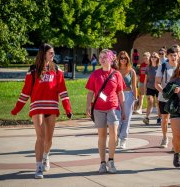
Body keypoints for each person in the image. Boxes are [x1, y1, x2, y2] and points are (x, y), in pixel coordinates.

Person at [11, 43, 72, 179]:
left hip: (52, 106)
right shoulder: (33, 70)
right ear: (43, 54)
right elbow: (26, 92)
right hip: (37, 106)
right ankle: (38, 166)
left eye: (53, 53)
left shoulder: (57, 69)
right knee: (41, 137)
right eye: (51, 53)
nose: (53, 55)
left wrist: (67, 108)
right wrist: (16, 109)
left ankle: (46, 156)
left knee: (49, 139)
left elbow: (62, 90)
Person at [85, 49, 125, 174]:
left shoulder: (116, 74)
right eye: (100, 57)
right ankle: (102, 163)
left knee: (113, 134)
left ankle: (111, 160)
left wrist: (124, 109)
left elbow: (120, 93)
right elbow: (90, 92)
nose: (102, 59)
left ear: (111, 59)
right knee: (102, 136)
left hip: (113, 107)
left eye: (105, 57)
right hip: (98, 109)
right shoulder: (95, 74)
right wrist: (88, 106)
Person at [155, 47, 178, 148]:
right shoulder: (163, 66)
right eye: (171, 55)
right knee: (165, 119)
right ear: (167, 56)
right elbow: (157, 83)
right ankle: (164, 138)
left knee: (176, 120)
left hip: (178, 97)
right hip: (164, 97)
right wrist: (164, 92)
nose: (173, 57)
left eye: (175, 55)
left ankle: (176, 141)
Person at [117, 51, 137, 149]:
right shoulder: (115, 70)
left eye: (125, 58)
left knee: (126, 118)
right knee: (117, 117)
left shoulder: (132, 71)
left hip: (128, 95)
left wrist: (135, 98)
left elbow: (134, 86)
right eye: (121, 58)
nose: (123, 60)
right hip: (117, 96)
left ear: (128, 59)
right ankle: (115, 137)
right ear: (118, 59)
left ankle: (123, 139)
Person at [143, 52, 160, 125]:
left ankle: (159, 118)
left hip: (158, 87)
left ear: (157, 58)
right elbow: (145, 79)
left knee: (159, 103)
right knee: (150, 102)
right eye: (152, 56)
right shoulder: (148, 67)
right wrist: (144, 88)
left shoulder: (160, 67)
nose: (153, 58)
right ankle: (147, 117)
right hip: (150, 87)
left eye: (155, 57)